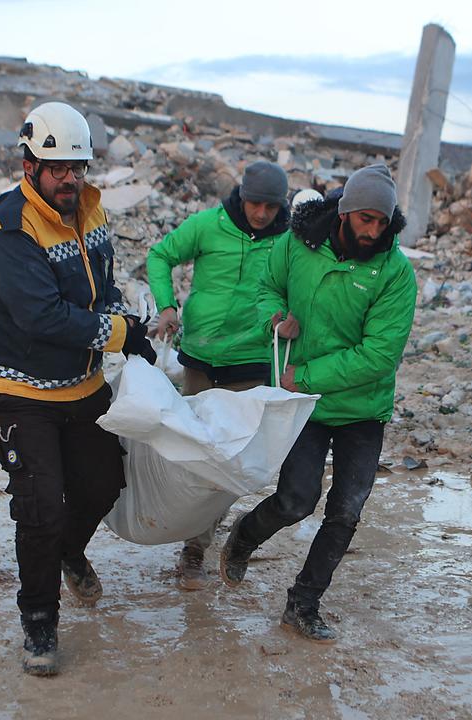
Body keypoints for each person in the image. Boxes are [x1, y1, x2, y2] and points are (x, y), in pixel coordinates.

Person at [0, 101, 156, 676]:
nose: (69, 179)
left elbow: (101, 288)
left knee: (102, 485)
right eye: (58, 169)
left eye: (77, 167)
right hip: (20, 391)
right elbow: (43, 317)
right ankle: (39, 623)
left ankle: (70, 553)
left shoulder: (91, 211)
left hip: (82, 386)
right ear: (29, 165)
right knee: (40, 510)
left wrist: (127, 322)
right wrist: (121, 334)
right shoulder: (9, 229)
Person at [219, 164, 417, 643]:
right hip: (303, 403)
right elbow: (268, 286)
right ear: (345, 212)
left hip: (361, 407)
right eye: (365, 219)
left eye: (382, 222)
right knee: (296, 501)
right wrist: (275, 317)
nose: (374, 231)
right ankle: (244, 537)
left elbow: (379, 354)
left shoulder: (395, 273)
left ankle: (303, 603)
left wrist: (304, 375)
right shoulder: (298, 243)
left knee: (346, 511)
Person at [146, 160, 291, 590]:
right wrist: (167, 304)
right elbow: (161, 255)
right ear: (241, 196)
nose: (261, 213)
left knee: (226, 463)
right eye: (254, 203)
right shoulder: (208, 225)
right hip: (199, 359)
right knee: (187, 452)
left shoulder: (287, 242)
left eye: (270, 206)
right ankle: (170, 523)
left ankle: (195, 548)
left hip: (250, 362)